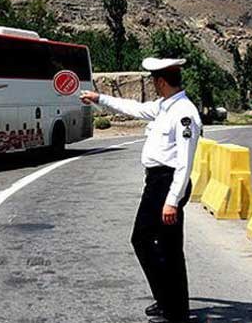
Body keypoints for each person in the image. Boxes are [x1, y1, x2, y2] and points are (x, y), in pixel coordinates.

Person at [80, 58, 202, 323]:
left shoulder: (184, 112)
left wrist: (172, 200)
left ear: (160, 81)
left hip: (166, 185)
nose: (154, 85)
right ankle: (170, 304)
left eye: (154, 80)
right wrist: (99, 98)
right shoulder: (164, 107)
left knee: (148, 241)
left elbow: (185, 162)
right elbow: (133, 108)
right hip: (157, 183)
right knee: (165, 246)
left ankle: (173, 310)